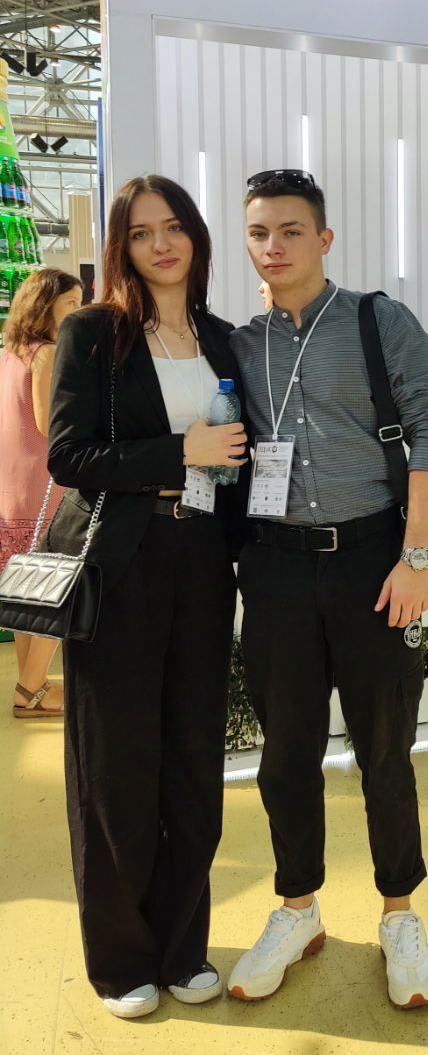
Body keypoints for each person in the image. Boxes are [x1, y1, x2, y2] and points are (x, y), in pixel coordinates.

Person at [229, 168, 428, 1010]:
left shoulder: (377, 320)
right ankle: (297, 911)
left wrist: (415, 557)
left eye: (291, 230)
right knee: (285, 753)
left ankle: (400, 916)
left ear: (323, 239)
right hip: (277, 566)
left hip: (374, 560)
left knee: (384, 749)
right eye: (260, 233)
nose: (274, 246)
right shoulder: (241, 344)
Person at [45, 175, 247, 1020]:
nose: (160, 244)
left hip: (203, 562)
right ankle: (120, 959)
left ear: (195, 236)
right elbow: (69, 456)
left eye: (173, 227)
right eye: (140, 232)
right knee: (116, 766)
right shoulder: (94, 333)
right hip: (122, 565)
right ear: (121, 247)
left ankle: (181, 946)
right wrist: (178, 452)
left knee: (194, 761)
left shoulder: (226, 339)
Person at [0, 268, 82, 717]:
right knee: (54, 584)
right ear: (45, 306)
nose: (79, 311)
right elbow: (49, 423)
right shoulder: (47, 353)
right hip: (44, 484)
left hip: (12, 486)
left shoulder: (10, 352)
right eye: (71, 303)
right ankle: (31, 689)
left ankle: (28, 685)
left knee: (23, 587)